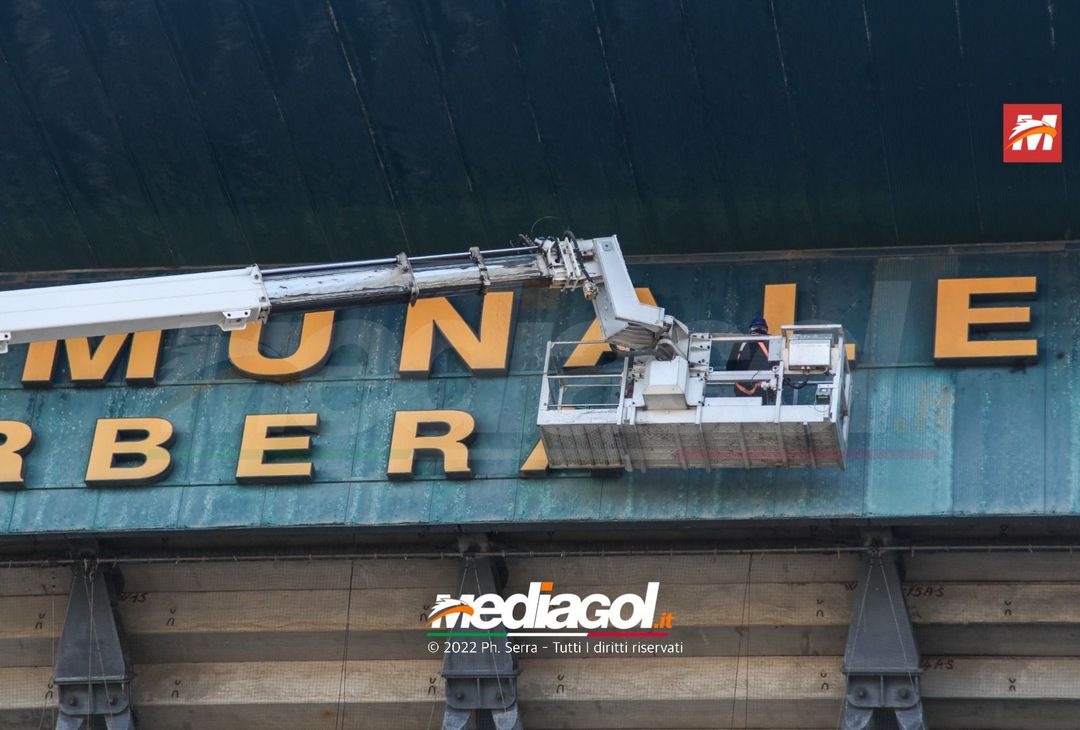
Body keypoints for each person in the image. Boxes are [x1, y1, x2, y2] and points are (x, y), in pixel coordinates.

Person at [726, 316, 776, 402]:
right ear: (765, 329)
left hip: (742, 389)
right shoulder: (771, 343)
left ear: (751, 329)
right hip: (763, 388)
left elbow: (729, 368)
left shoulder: (740, 343)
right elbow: (776, 367)